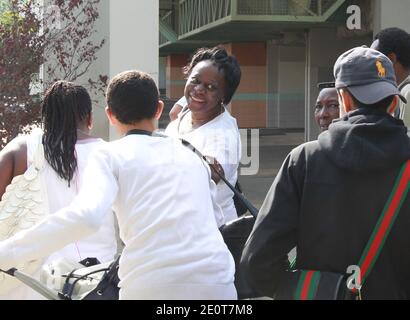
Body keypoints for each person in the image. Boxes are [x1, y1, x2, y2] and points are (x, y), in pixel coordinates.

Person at [0, 70, 237, 300]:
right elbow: (216, 220)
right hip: (218, 281)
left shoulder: (110, 155)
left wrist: (7, 252)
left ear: (110, 115)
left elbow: (85, 217)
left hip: (151, 284)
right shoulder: (191, 153)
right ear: (159, 109)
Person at [240, 47, 410, 299]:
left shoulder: (305, 160)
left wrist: (305, 287)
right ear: (394, 102)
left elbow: (258, 261)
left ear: (344, 100)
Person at [0, 81, 117, 299]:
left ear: (45, 117)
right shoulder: (111, 155)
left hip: (30, 283)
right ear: (90, 118)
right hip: (98, 282)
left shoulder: (21, 150)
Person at [165, 46, 242, 224]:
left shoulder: (223, 135)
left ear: (224, 95)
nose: (199, 89)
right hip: (179, 224)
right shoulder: (183, 115)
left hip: (210, 232)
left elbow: (212, 172)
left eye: (211, 87)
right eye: (195, 80)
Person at [371, 28, 410, 126]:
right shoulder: (399, 92)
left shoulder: (407, 92)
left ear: (391, 59)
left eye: (373, 60)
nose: (370, 66)